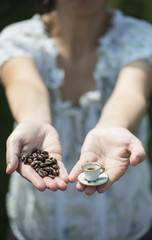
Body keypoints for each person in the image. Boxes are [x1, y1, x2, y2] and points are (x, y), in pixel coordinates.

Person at [0, 0, 152, 239]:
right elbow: (24, 84)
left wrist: (113, 125)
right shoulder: (18, 38)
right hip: (37, 228)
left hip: (127, 226)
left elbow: (131, 92)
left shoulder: (141, 37)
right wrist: (34, 119)